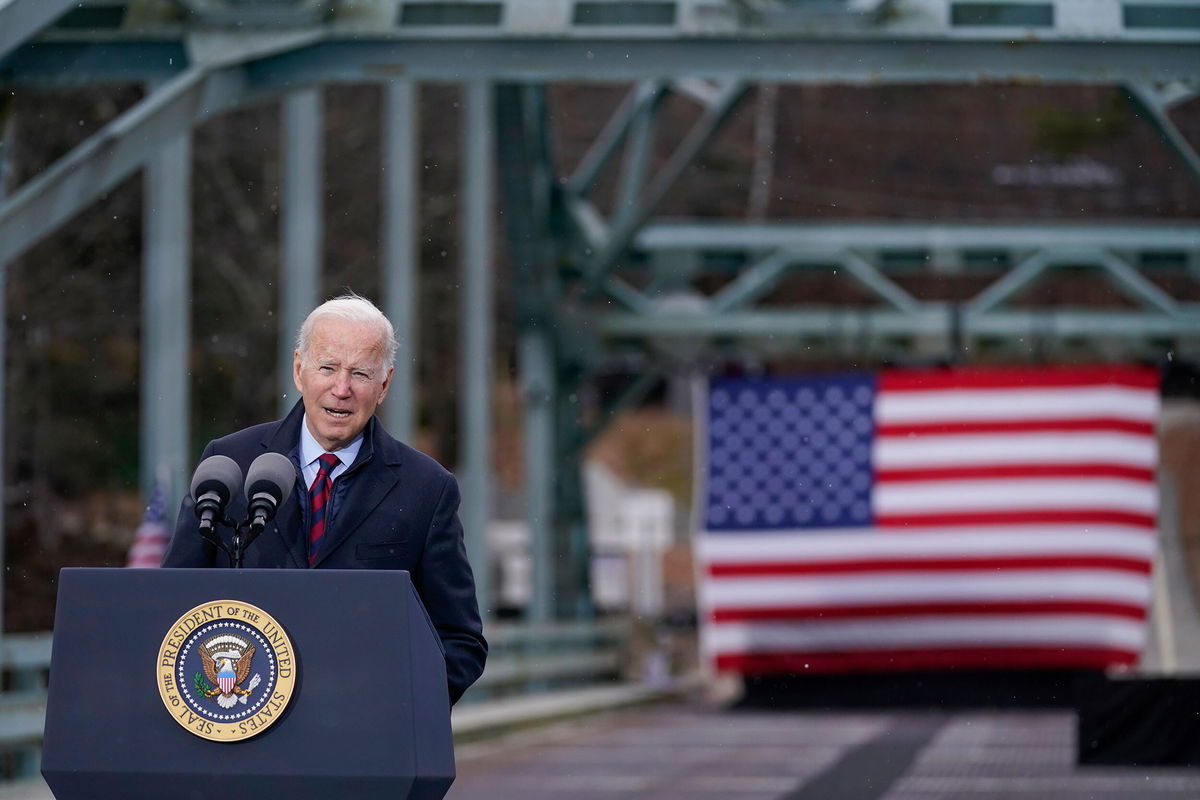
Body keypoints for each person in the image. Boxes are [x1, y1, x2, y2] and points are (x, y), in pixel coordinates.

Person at [162, 293, 486, 705]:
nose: (342, 389)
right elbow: (172, 606)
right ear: (299, 370)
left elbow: (459, 640)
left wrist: (399, 710)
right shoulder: (228, 465)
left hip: (361, 743)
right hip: (241, 728)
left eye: (361, 374)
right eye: (328, 368)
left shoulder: (426, 488)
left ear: (384, 384)